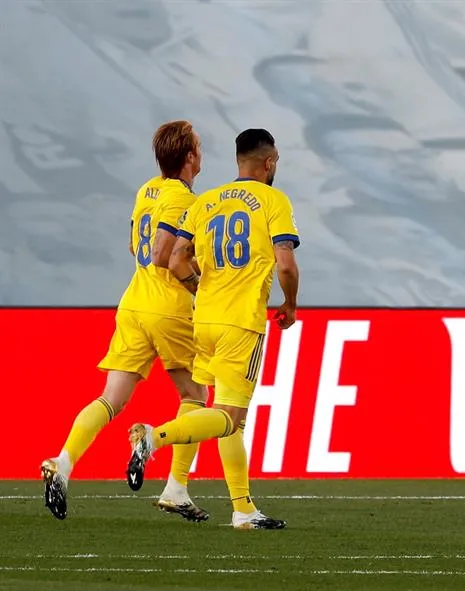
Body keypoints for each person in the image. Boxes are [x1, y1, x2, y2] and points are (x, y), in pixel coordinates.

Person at [125, 128, 299, 530]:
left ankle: (227, 504)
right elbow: (286, 264)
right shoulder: (274, 200)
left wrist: (202, 287)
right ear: (269, 162)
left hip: (203, 319)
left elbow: (176, 260)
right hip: (241, 322)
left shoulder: (206, 202)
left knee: (207, 407)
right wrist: (289, 304)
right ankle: (154, 438)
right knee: (229, 416)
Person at [41, 120, 209, 521]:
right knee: (195, 397)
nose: (201, 153)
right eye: (198, 147)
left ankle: (63, 464)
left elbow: (136, 245)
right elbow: (162, 254)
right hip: (168, 307)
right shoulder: (184, 199)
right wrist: (198, 285)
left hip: (134, 303)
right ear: (189, 157)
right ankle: (176, 488)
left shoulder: (147, 189)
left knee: (110, 398)